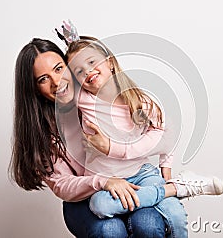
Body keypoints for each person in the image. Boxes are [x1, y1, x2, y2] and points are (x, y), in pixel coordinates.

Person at [63, 30, 223, 238]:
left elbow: (167, 130)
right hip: (106, 180)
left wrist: (166, 164)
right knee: (100, 205)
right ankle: (175, 189)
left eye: (92, 61)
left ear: (110, 62)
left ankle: (176, 187)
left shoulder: (139, 101)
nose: (88, 71)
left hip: (141, 174)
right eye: (79, 70)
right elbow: (57, 82)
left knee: (174, 214)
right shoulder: (83, 100)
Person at [9, 38, 168, 237]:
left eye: (59, 69)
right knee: (110, 230)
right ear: (34, 89)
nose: (56, 82)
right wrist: (103, 181)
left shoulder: (99, 96)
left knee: (148, 224)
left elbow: (156, 125)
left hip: (129, 181)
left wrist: (165, 161)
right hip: (83, 200)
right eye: (43, 79)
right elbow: (61, 184)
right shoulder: (42, 130)